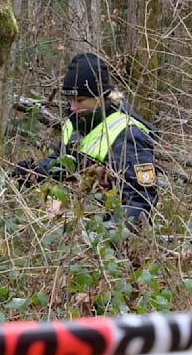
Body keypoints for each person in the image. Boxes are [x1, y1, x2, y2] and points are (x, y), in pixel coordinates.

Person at [10, 53, 158, 231]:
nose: (72, 107)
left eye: (80, 100)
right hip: (78, 224)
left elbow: (140, 201)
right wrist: (32, 172)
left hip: (106, 237)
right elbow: (65, 161)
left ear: (101, 97)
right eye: (70, 100)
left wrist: (106, 239)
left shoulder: (129, 135)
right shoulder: (76, 121)